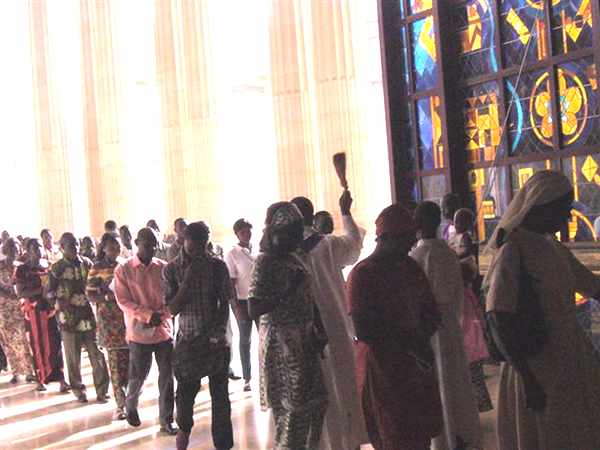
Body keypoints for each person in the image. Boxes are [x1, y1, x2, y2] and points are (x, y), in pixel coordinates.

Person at [484, 170, 600, 450]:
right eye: (564, 208)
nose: (568, 216)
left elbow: (591, 286)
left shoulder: (553, 247)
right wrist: (527, 378)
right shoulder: (513, 250)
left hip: (568, 357)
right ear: (543, 206)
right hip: (535, 365)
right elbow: (498, 316)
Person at [346, 204, 443, 450]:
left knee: (420, 433)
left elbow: (431, 311)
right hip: (384, 367)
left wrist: (420, 339)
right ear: (386, 238)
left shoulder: (410, 267)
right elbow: (364, 328)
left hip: (415, 364)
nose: (411, 245)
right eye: (406, 239)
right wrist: (408, 341)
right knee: (394, 434)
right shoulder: (363, 274)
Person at [249, 202, 328, 449]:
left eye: (298, 232)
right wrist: (287, 290)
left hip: (304, 339)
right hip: (282, 344)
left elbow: (308, 294)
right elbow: (254, 307)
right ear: (277, 233)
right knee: (293, 410)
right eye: (292, 233)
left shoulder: (294, 257)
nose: (297, 237)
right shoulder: (265, 262)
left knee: (317, 402)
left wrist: (319, 326)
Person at [291, 192, 367, 450]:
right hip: (335, 327)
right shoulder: (327, 245)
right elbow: (354, 245)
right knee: (343, 385)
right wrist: (345, 212)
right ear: (312, 216)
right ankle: (348, 441)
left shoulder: (284, 253)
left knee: (314, 393)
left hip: (303, 333)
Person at [410, 201, 482, 450]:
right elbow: (458, 296)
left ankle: (440, 441)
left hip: (426, 331)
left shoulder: (414, 257)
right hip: (449, 327)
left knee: (435, 383)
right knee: (454, 382)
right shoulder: (448, 255)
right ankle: (461, 436)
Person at [164, 222, 234, 450]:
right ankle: (183, 433)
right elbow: (172, 309)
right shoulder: (172, 269)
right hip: (187, 342)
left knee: (220, 399)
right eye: (194, 246)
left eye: (203, 246)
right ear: (184, 241)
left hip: (215, 342)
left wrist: (218, 333)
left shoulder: (217, 266)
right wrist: (189, 279)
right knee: (185, 397)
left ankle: (223, 445)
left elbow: (224, 304)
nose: (199, 252)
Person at [113, 228, 176, 435]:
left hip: (163, 331)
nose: (151, 249)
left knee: (167, 378)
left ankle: (166, 420)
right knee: (138, 376)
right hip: (139, 333)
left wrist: (163, 315)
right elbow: (123, 301)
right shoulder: (123, 270)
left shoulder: (164, 268)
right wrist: (148, 315)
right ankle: (130, 404)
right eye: (147, 245)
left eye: (155, 245)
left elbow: (172, 297)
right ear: (137, 243)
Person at [47, 232, 109, 403]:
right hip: (68, 319)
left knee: (97, 355)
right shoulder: (57, 268)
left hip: (88, 317)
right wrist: (59, 305)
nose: (75, 247)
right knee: (73, 358)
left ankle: (102, 391)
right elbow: (49, 292)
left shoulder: (87, 263)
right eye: (70, 245)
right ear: (62, 247)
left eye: (76, 244)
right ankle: (78, 390)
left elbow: (97, 285)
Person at [15, 238, 69, 393]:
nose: (39, 251)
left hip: (50, 311)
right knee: (36, 345)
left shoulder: (48, 265)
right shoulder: (22, 270)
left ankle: (61, 379)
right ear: (28, 251)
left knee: (55, 344)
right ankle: (41, 379)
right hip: (34, 313)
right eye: (35, 248)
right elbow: (21, 292)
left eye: (40, 247)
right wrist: (42, 291)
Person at [86, 233, 129, 420]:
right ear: (104, 249)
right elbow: (90, 294)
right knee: (116, 366)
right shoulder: (97, 267)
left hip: (128, 320)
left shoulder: (125, 264)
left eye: (118, 247)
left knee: (131, 365)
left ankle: (130, 401)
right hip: (110, 323)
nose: (116, 250)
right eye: (112, 247)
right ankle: (121, 405)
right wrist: (107, 296)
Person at [224, 218, 256, 392]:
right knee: (245, 339)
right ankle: (247, 377)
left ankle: (266, 373)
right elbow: (231, 282)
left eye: (248, 231)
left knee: (265, 336)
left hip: (259, 298)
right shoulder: (232, 253)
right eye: (243, 232)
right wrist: (235, 306)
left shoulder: (257, 249)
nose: (247, 234)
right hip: (242, 301)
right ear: (237, 234)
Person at [0, 238, 36, 385]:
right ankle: (16, 372)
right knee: (8, 341)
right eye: (11, 248)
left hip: (21, 308)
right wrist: (11, 294)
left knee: (24, 339)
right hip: (5, 309)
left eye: (16, 248)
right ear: (5, 249)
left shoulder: (21, 267)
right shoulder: (0, 266)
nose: (14, 250)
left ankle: (29, 371)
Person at [460, 260, 493, 412]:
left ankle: (482, 403)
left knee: (474, 376)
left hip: (469, 341)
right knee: (476, 375)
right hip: (476, 339)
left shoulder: (462, 295)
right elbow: (479, 313)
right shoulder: (469, 293)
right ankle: (482, 403)